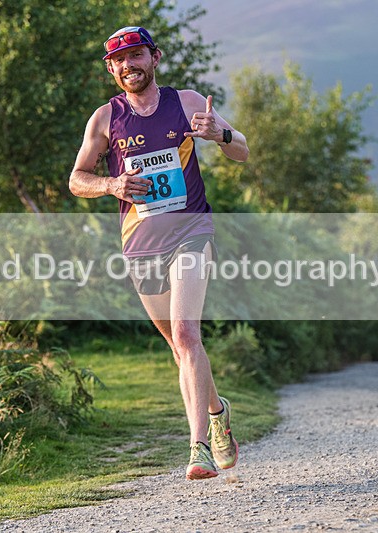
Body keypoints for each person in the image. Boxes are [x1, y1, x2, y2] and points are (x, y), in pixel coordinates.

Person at [69, 26, 249, 480]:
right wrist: (111, 184)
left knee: (188, 333)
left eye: (137, 55)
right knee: (178, 346)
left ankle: (198, 449)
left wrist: (220, 136)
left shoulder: (186, 102)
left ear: (155, 58)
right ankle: (217, 410)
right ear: (111, 69)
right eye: (120, 60)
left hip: (192, 229)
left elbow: (243, 150)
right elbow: (76, 179)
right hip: (140, 243)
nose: (129, 65)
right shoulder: (105, 120)